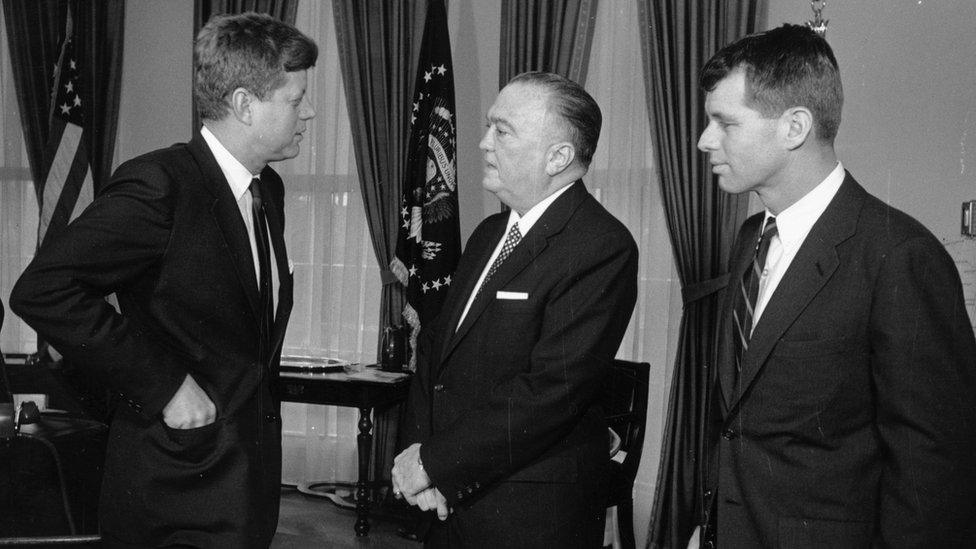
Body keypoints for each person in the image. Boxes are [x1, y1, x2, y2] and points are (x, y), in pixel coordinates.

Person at [10, 12, 316, 547]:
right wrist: (165, 385)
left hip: (245, 492)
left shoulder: (269, 192)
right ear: (245, 104)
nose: (308, 112)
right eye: (296, 100)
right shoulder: (162, 184)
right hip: (174, 489)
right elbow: (43, 289)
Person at [696, 24, 976, 548]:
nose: (704, 140)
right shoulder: (750, 238)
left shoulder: (900, 256)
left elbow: (932, 476)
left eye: (724, 123)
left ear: (794, 126)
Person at [392, 71, 638, 548]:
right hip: (446, 502)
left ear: (559, 157)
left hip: (526, 515)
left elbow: (547, 394)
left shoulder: (601, 246)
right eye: (489, 127)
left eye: (502, 131)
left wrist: (435, 463)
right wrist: (420, 461)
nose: (483, 143)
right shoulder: (488, 235)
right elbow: (436, 352)